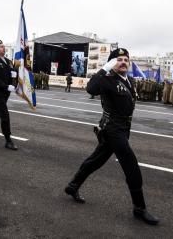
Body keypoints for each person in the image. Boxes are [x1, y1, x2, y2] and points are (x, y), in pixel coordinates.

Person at [64, 48, 159, 225]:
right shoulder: (107, 79)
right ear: (112, 63)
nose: (123, 62)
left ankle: (73, 186)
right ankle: (139, 208)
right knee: (131, 166)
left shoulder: (129, 80)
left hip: (122, 128)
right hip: (113, 129)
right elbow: (91, 88)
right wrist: (105, 69)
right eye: (118, 59)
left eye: (125, 59)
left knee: (97, 160)